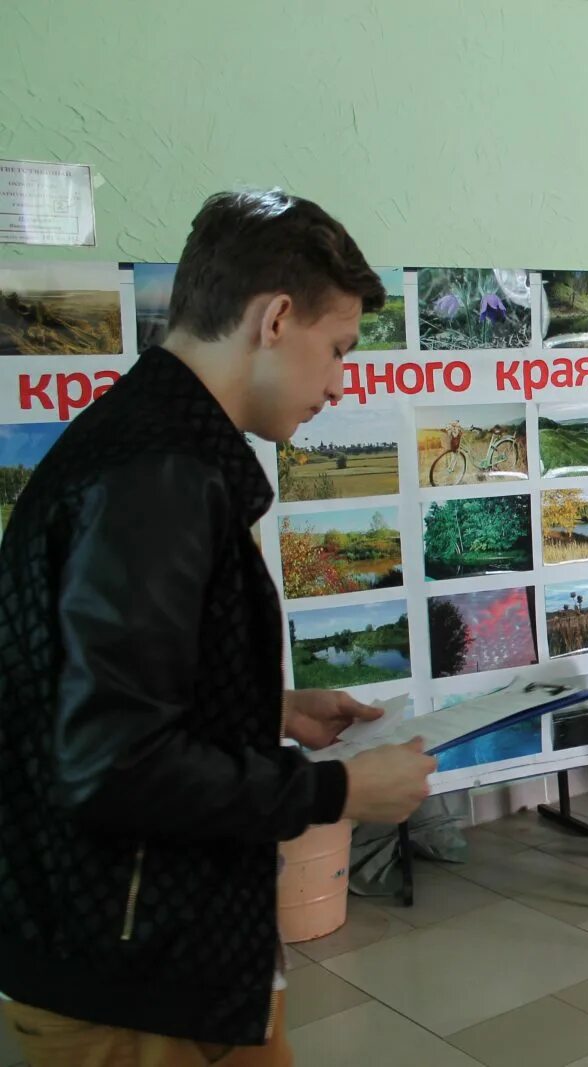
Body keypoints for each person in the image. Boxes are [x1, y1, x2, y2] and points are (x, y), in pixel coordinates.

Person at [0, 190, 435, 1066]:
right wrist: (339, 793)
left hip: (166, 945)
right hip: (130, 968)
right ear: (276, 318)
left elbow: (112, 684)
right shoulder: (156, 475)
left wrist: (267, 707)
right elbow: (114, 763)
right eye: (338, 351)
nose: (340, 384)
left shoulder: (155, 445)